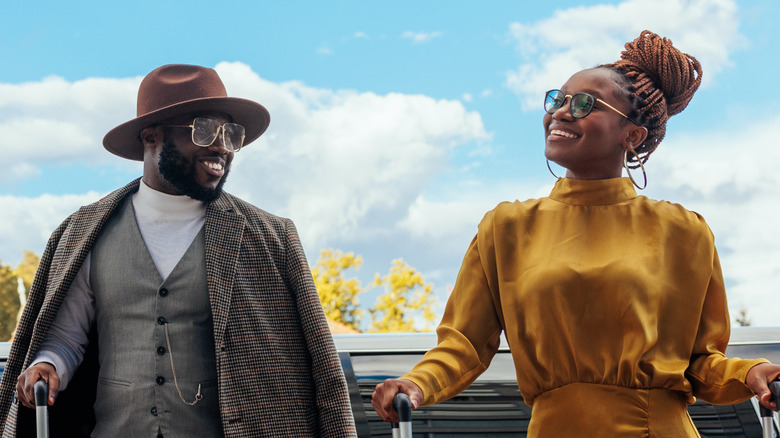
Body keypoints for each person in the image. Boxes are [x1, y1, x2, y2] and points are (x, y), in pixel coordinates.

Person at [371, 30, 780, 436]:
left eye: (586, 104)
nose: (562, 112)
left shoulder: (684, 230)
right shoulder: (505, 228)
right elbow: (464, 344)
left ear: (632, 136)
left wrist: (752, 372)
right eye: (558, 99)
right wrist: (417, 383)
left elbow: (701, 364)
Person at [0, 64, 357, 437]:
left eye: (230, 133)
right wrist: (48, 364)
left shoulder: (272, 237)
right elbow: (67, 337)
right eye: (203, 130)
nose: (222, 145)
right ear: (151, 136)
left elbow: (322, 368)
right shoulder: (85, 232)